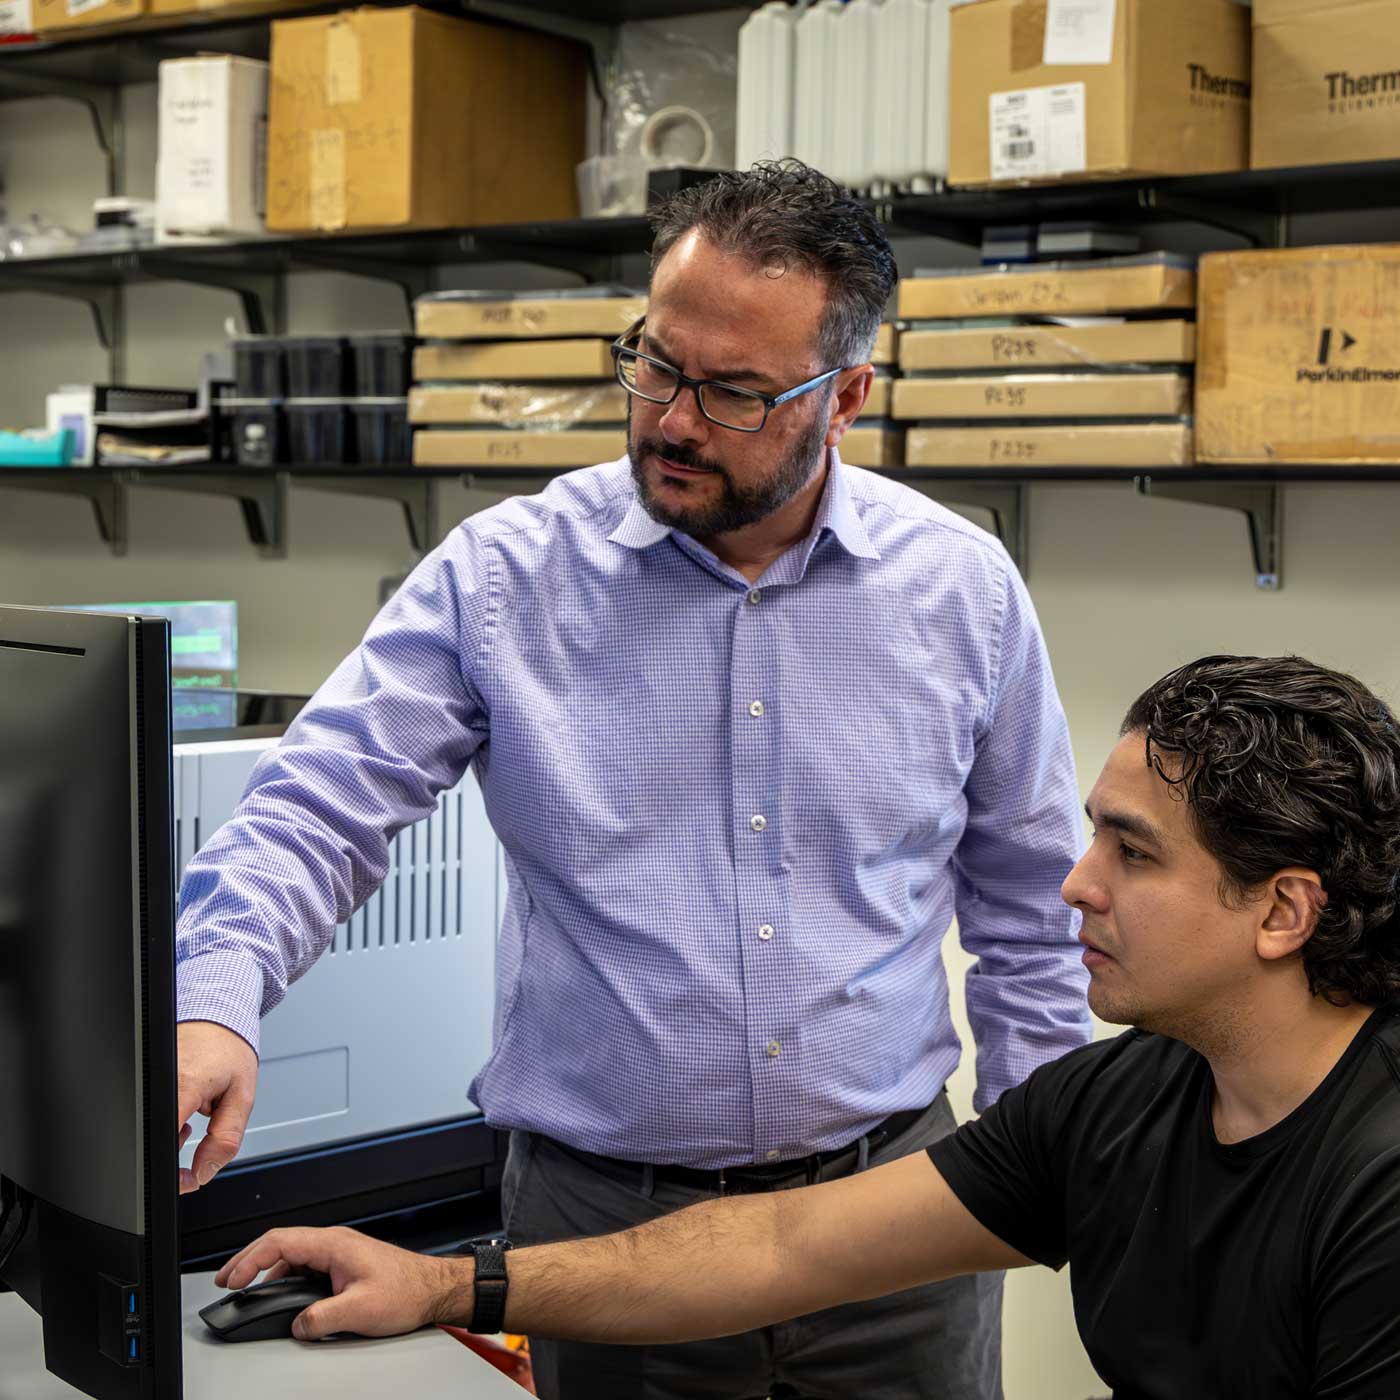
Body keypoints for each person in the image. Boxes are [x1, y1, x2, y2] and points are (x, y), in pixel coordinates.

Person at [176, 160, 1091, 1400]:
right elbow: (316, 803)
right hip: (601, 1226)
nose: (670, 419)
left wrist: (1037, 1160)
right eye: (654, 363)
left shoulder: (962, 591)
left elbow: (1032, 911)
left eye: (733, 391)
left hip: (890, 1220)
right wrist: (218, 994)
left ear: (847, 395)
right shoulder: (504, 577)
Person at [215, 654, 1400, 1400]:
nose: (1073, 884)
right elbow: (779, 1249)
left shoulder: (1375, 1180)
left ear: (1282, 909)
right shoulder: (1123, 1099)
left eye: (1130, 852)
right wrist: (443, 1285)